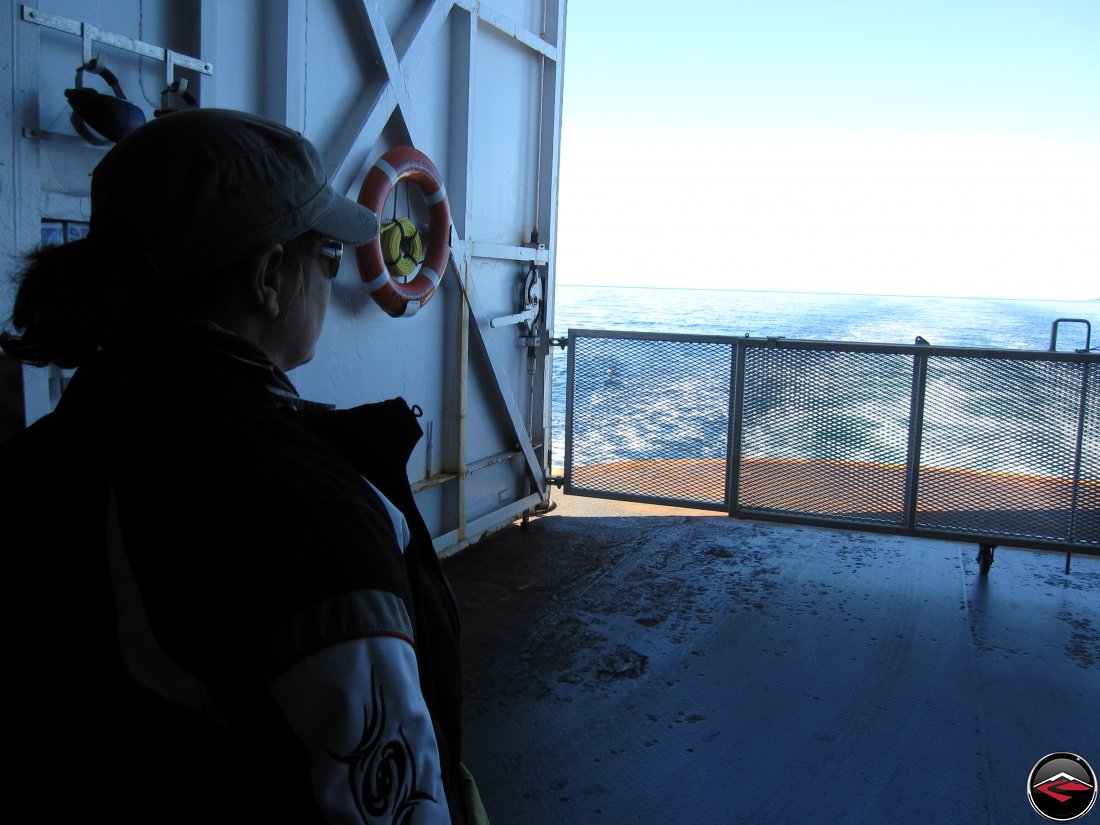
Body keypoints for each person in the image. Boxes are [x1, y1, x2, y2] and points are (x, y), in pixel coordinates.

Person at [0, 108, 486, 824]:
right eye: (323, 255)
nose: (329, 275)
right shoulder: (310, 515)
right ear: (270, 277)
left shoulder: (55, 451)